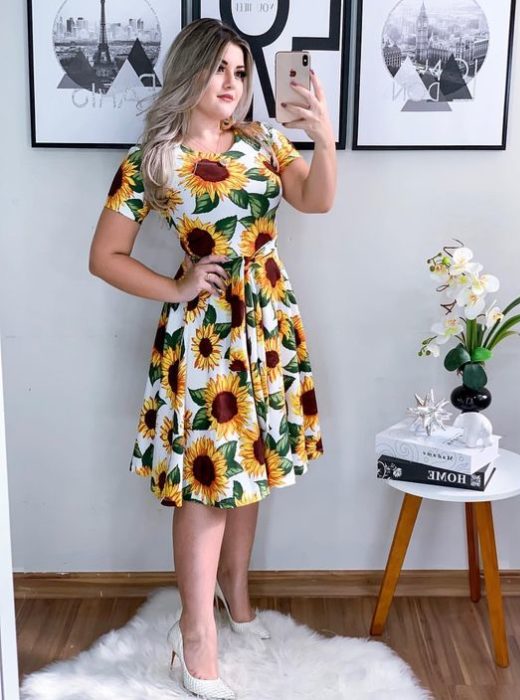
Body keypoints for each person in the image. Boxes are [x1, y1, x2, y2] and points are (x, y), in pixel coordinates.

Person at [89, 17, 336, 699]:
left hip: (270, 321)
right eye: (219, 68)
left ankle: (236, 590)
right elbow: (103, 256)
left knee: (248, 466)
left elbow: (315, 201)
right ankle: (196, 633)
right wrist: (174, 284)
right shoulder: (152, 161)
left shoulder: (264, 139)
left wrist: (322, 137)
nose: (231, 82)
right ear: (191, 71)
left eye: (240, 71)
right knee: (210, 480)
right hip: (205, 335)